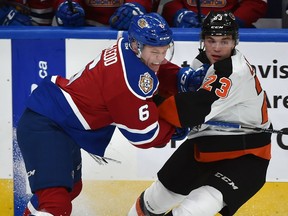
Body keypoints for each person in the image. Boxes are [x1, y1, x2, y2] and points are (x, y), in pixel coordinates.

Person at [16, 12, 179, 216]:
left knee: (71, 189)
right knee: (56, 205)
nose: (160, 58)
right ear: (137, 46)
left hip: (62, 125)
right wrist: (174, 128)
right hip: (47, 126)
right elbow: (142, 136)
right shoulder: (125, 81)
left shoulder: (126, 47)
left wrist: (180, 76)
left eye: (165, 50)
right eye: (155, 51)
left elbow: (154, 71)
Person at [128, 10, 272, 216]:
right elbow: (186, 102)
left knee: (191, 211)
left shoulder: (233, 72)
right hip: (203, 146)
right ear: (203, 39)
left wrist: (150, 100)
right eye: (211, 40)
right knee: (151, 203)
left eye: (225, 41)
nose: (217, 47)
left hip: (245, 155)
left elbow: (190, 111)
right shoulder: (203, 61)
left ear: (235, 42)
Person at [53, 0, 160, 28]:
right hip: (84, 39)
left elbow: (142, 3)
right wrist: (66, 8)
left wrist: (135, 7)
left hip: (125, 40)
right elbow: (67, 5)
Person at [161, 0, 268, 28]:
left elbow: (256, 3)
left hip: (229, 32)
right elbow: (169, 4)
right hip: (188, 29)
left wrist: (233, 20)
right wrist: (180, 15)